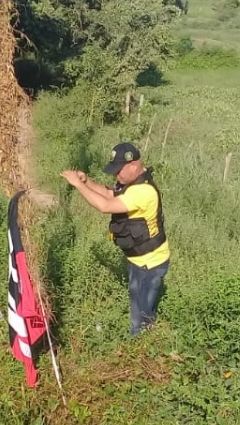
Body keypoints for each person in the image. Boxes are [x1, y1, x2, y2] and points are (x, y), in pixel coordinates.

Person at [62, 142, 170, 336]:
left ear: (134, 166)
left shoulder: (143, 192)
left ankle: (141, 349)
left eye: (118, 171)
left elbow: (105, 206)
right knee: (140, 305)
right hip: (138, 260)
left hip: (149, 264)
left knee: (140, 321)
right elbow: (108, 194)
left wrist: (77, 185)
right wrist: (86, 181)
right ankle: (147, 334)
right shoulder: (130, 183)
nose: (115, 175)